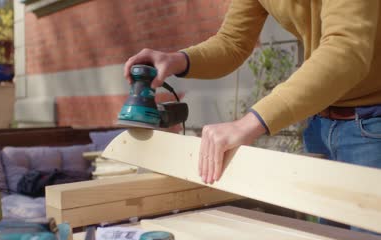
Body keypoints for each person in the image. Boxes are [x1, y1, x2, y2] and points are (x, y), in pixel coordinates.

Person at [124, 0, 381, 188]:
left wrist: (249, 123)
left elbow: (345, 50)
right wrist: (177, 60)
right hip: (321, 120)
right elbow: (233, 42)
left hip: (373, 122)